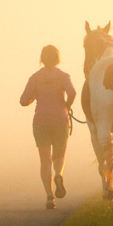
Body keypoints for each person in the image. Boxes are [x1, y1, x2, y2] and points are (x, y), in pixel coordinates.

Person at [20, 45, 77, 209]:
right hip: (60, 119)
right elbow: (72, 93)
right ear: (57, 58)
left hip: (41, 121)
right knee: (59, 155)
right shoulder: (63, 76)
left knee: (45, 160)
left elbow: (23, 100)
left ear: (42, 58)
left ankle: (50, 197)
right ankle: (59, 174)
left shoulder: (35, 77)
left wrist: (34, 98)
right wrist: (66, 105)